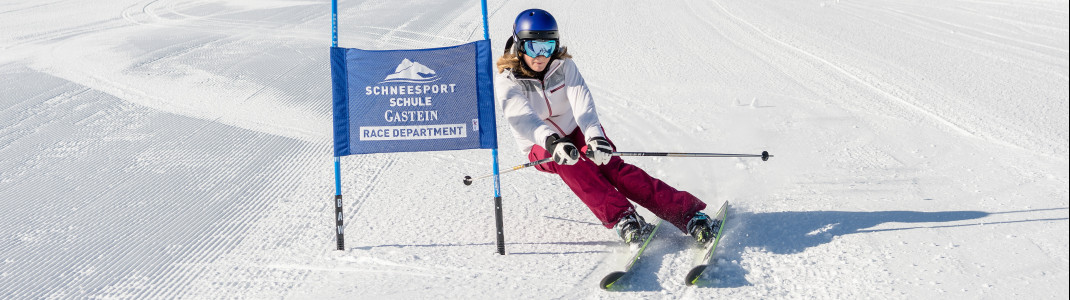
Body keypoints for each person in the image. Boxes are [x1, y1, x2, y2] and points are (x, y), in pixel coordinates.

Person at [494, 8, 717, 245]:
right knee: (569, 163)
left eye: (547, 47)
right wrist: (552, 141)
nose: (541, 56)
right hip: (540, 143)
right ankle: (624, 218)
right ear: (519, 45)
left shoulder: (563, 67)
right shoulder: (508, 78)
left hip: (575, 130)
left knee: (611, 166)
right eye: (533, 47)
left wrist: (595, 137)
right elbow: (522, 118)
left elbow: (583, 103)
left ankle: (689, 214)